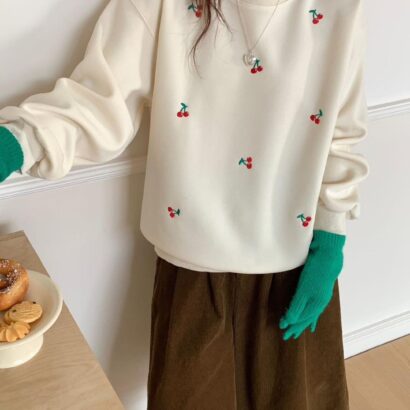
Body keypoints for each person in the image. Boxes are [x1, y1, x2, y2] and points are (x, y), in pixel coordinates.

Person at [0, 0, 369, 408]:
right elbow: (98, 102)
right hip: (192, 275)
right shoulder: (162, 5)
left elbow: (342, 133)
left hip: (295, 270)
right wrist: (16, 142)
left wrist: (331, 241)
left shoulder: (339, 10)